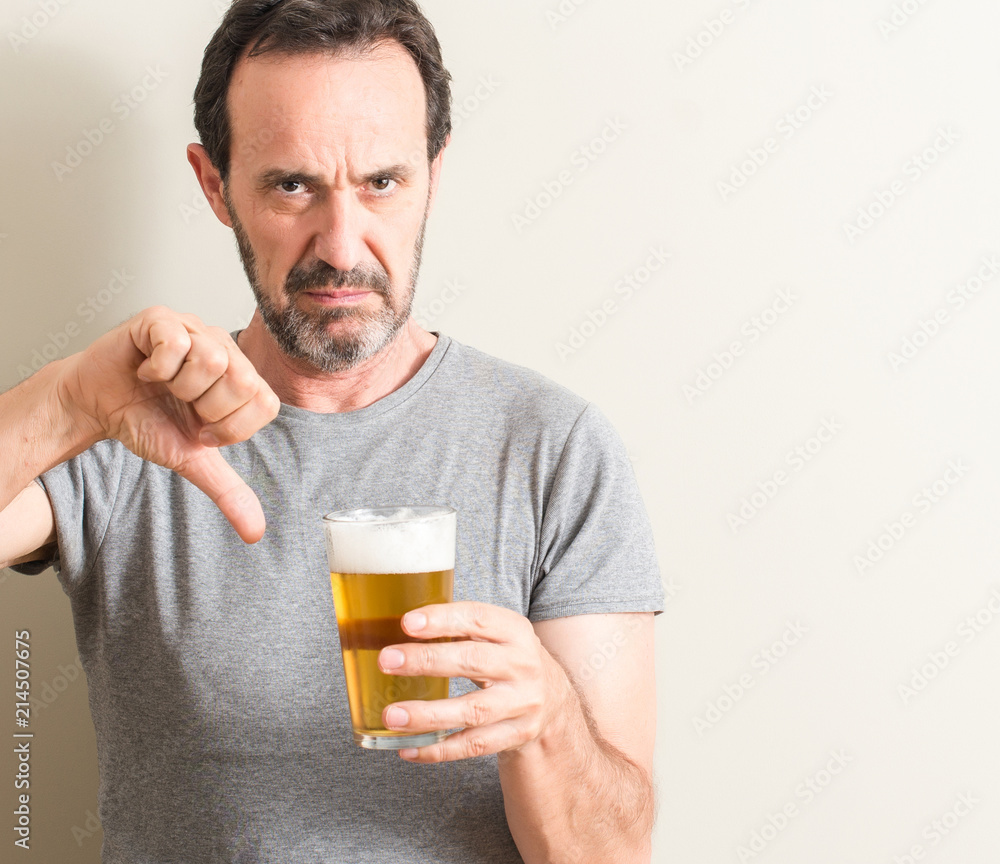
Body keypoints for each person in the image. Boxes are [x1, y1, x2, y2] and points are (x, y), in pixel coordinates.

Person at [0, 1, 664, 861]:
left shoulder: (554, 450)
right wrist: (63, 406)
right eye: (292, 186)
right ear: (215, 185)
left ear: (433, 175)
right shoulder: (128, 421)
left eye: (382, 183)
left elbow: (614, 854)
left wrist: (550, 722)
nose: (343, 247)